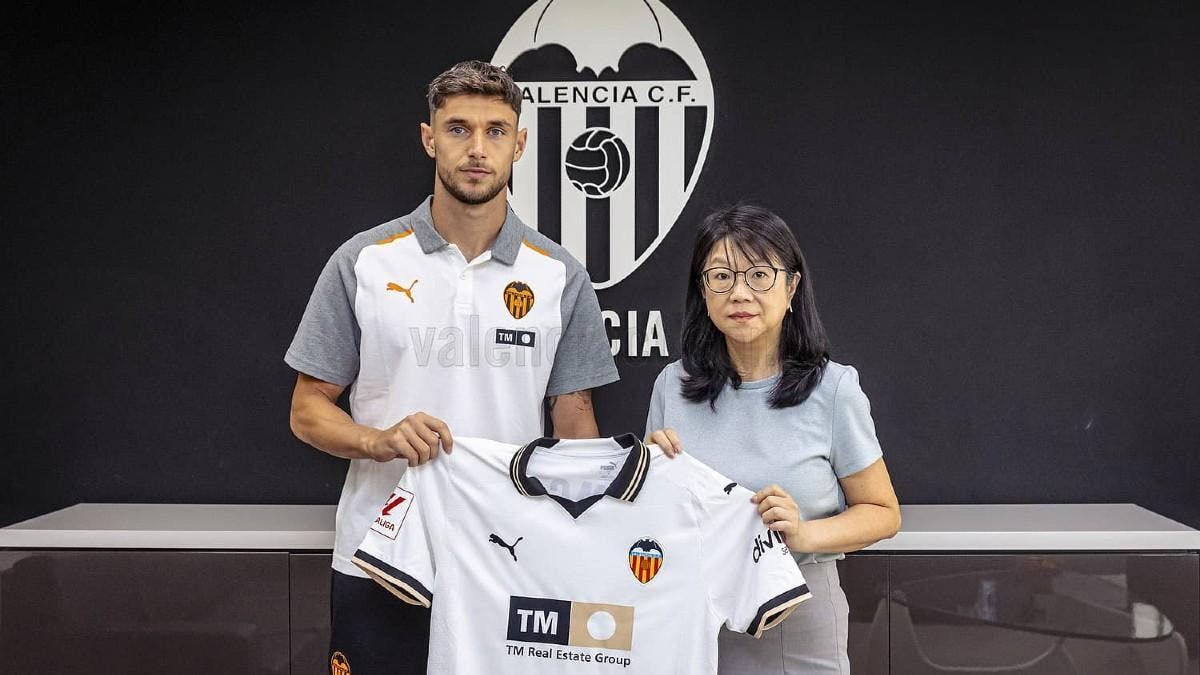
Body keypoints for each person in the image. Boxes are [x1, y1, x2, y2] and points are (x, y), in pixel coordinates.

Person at [285, 60, 619, 675]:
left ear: (519, 144)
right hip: (377, 554)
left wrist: (591, 547)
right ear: (428, 137)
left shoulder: (559, 275)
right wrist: (378, 440)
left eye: (496, 131)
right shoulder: (363, 261)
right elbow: (307, 410)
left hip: (510, 559)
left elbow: (576, 430)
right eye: (459, 128)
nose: (477, 148)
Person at [645, 204, 900, 674]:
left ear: (791, 287)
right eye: (721, 276)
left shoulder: (833, 389)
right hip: (692, 615)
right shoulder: (672, 386)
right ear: (703, 292)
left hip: (796, 610)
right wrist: (653, 476)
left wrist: (804, 531)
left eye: (759, 275)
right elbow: (651, 523)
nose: (739, 292)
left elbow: (883, 513)